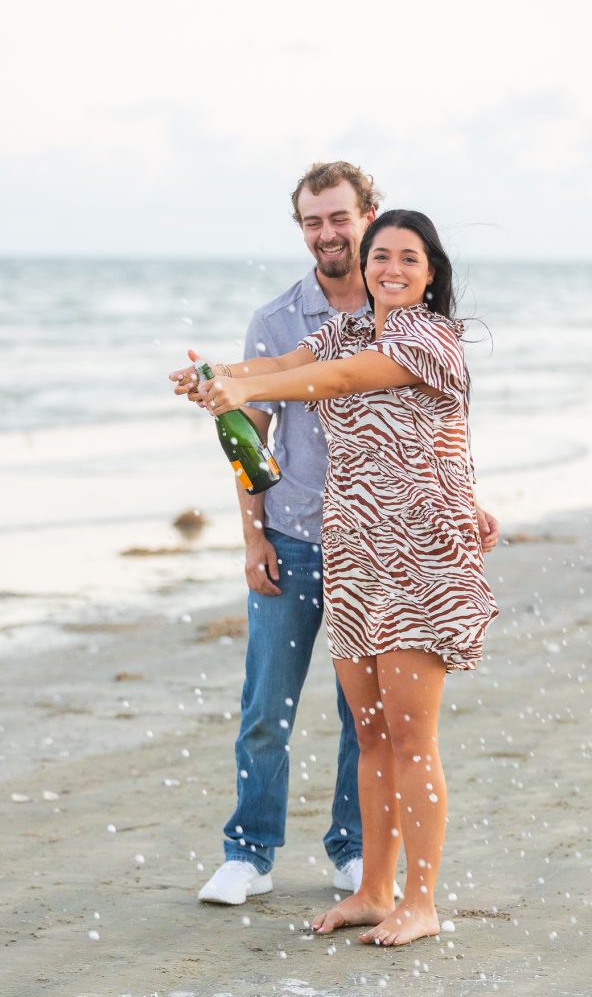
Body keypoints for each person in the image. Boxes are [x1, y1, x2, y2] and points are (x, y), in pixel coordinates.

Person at [182, 208, 499, 945]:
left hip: (419, 556)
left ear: (429, 275)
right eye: (379, 255)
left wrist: (239, 387)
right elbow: (286, 367)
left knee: (413, 737)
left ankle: (419, 902)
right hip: (352, 549)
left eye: (407, 259)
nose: (390, 269)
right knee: (371, 730)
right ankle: (373, 890)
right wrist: (215, 376)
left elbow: (337, 380)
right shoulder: (349, 328)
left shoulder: (430, 339)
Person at [170, 163, 380, 905]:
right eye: (311, 221)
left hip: (374, 545)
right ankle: (249, 853)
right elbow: (246, 440)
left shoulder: (401, 310)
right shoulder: (276, 317)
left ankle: (353, 851)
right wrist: (253, 539)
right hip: (291, 537)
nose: (325, 233)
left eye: (337, 217)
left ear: (367, 215)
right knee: (266, 707)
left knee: (365, 714)